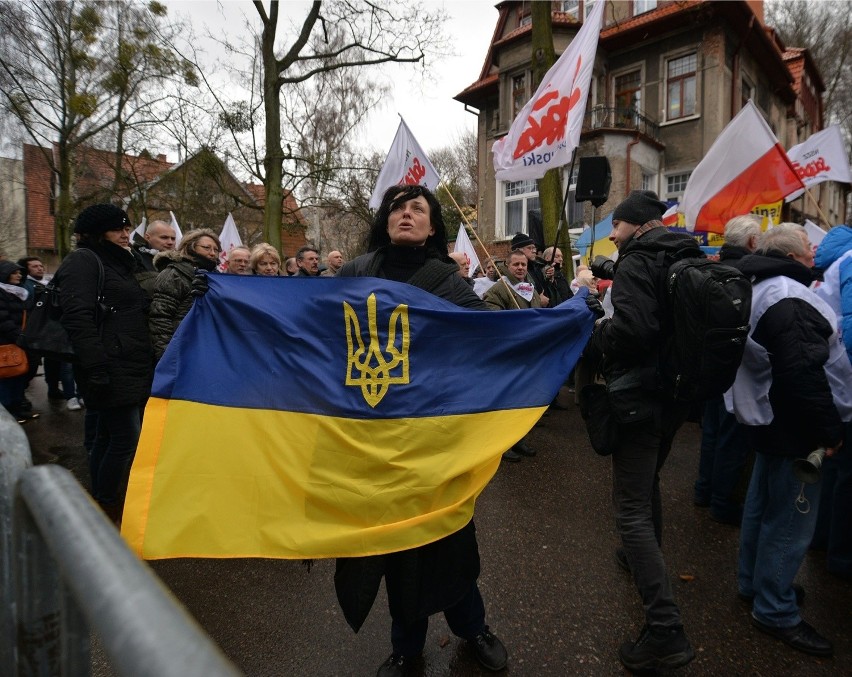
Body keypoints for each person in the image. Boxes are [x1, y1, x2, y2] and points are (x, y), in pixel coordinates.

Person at [335, 184, 507, 677]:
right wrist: (219, 298)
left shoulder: (447, 281)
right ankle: (407, 647)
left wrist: (555, 321)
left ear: (433, 227)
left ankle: (474, 628)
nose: (406, 214)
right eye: (397, 207)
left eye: (417, 209)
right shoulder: (353, 273)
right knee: (394, 550)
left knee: (447, 539)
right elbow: (306, 327)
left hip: (432, 438)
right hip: (369, 441)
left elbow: (491, 338)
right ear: (385, 220)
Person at [587, 190, 700, 672]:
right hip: (676, 396)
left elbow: (631, 331)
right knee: (648, 481)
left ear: (636, 225)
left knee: (629, 509)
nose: (612, 235)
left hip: (639, 399)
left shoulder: (638, 261)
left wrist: (594, 331)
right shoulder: (684, 254)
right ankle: (639, 560)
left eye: (616, 226)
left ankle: (665, 630)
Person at [726, 223, 851, 658]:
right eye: (810, 247)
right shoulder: (788, 297)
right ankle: (774, 609)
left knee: (761, 507)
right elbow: (802, 373)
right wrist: (829, 430)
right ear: (800, 253)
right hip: (794, 424)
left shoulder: (762, 286)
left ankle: (753, 583)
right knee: (790, 521)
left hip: (768, 415)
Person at [53, 204, 154, 524]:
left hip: (130, 361)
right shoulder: (84, 261)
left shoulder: (123, 262)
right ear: (98, 233)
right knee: (124, 438)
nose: (127, 234)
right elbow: (77, 318)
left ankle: (100, 496)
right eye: (118, 229)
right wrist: (96, 367)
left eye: (127, 228)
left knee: (110, 437)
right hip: (109, 364)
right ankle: (106, 505)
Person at [694, 214, 761, 525]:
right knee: (731, 439)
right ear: (751, 242)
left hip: (710, 364)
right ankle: (722, 503)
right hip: (737, 369)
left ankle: (703, 490)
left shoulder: (712, 271)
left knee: (712, 432)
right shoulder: (751, 276)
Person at [810, 224, 852, 580]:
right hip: (846, 382)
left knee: (836, 470)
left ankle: (822, 540)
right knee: (846, 475)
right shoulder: (850, 261)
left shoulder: (829, 267)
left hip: (832, 379)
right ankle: (841, 558)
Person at [149, 228, 221, 362]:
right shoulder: (173, 274)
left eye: (216, 250)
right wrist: (168, 355)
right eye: (206, 248)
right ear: (190, 247)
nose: (212, 253)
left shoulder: (217, 279)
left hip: (207, 348)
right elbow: (160, 317)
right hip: (182, 348)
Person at [0, 260, 37, 424]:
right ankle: (8, 413)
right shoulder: (2, 293)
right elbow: (3, 320)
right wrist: (20, 336)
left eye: (19, 272)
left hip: (18, 342)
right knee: (7, 377)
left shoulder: (17, 292)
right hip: (6, 343)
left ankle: (18, 408)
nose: (19, 275)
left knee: (19, 376)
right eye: (14, 272)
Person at [132, 220, 178, 298]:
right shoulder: (134, 258)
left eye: (173, 239)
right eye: (164, 237)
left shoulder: (178, 261)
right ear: (147, 237)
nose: (170, 242)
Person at [509, 233, 549, 306]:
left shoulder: (538, 267)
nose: (534, 251)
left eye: (534, 248)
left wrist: (549, 277)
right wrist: (538, 301)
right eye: (530, 248)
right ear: (518, 250)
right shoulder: (512, 272)